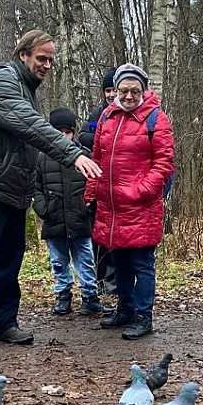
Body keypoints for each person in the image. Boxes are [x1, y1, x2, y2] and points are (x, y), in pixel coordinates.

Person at [0, 30, 102, 355]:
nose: (47, 65)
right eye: (41, 58)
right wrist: (73, 154)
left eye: (51, 60)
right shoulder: (1, 82)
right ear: (23, 55)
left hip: (13, 190)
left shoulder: (27, 89)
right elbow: (31, 125)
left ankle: (4, 322)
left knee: (10, 258)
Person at [84, 63, 175, 340]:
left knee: (142, 263)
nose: (128, 96)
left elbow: (164, 163)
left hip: (141, 206)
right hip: (111, 206)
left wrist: (141, 190)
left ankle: (143, 316)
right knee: (119, 260)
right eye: (123, 90)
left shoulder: (156, 118)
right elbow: (97, 158)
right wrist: (91, 193)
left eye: (135, 90)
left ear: (143, 90)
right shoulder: (107, 117)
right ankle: (125, 308)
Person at [33, 107, 114, 317]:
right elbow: (35, 187)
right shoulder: (41, 158)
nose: (63, 136)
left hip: (80, 219)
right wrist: (44, 209)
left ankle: (90, 297)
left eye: (67, 132)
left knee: (85, 259)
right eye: (58, 131)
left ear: (73, 132)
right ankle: (63, 296)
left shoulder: (84, 156)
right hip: (54, 220)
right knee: (58, 261)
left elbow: (96, 184)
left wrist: (88, 208)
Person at [79, 67, 118, 296]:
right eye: (108, 90)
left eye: (114, 90)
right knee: (98, 239)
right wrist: (104, 140)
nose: (111, 95)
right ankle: (100, 280)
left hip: (119, 187)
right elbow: (83, 136)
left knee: (116, 239)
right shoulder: (98, 114)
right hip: (98, 185)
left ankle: (115, 282)